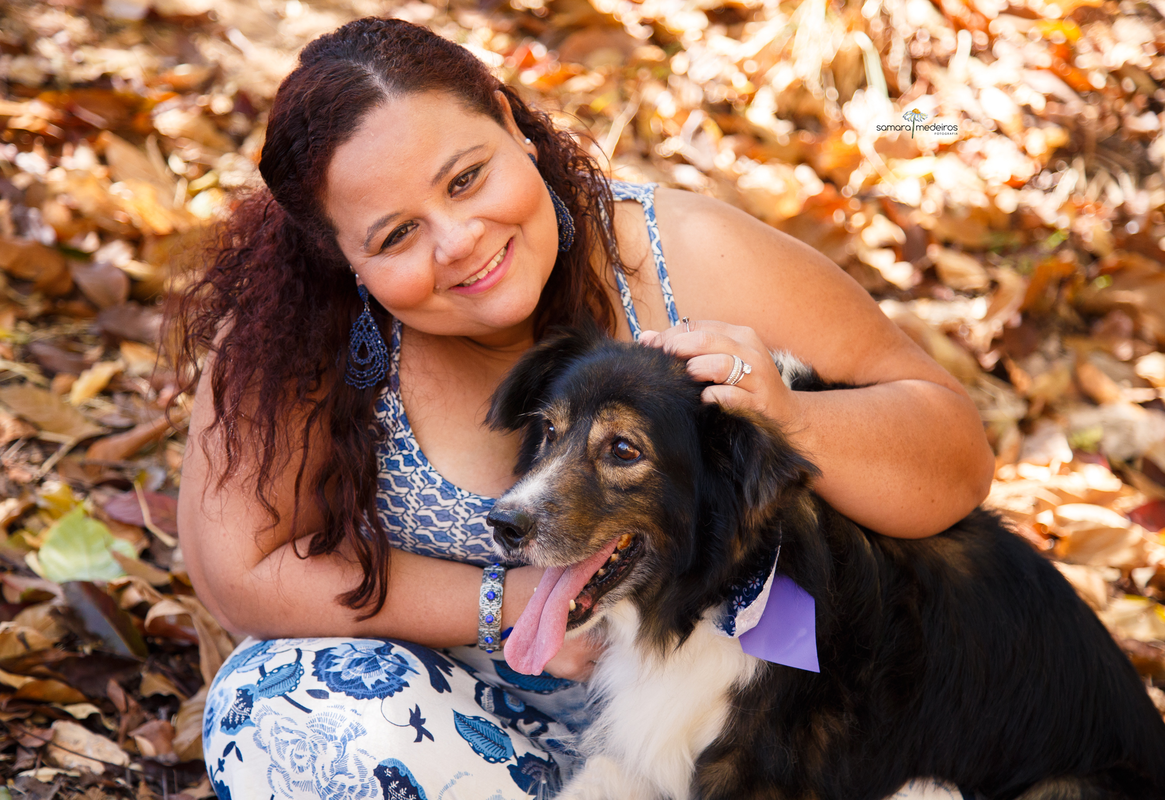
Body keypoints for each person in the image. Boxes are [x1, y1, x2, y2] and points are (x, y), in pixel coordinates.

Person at [175, 17, 994, 800]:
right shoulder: (297, 343)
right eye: (395, 235)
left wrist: (793, 416)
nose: (458, 241)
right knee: (277, 699)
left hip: (756, 739)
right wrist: (510, 604)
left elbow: (954, 454)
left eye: (467, 178)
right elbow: (240, 569)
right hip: (472, 739)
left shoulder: (682, 253)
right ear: (338, 254)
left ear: (510, 122)